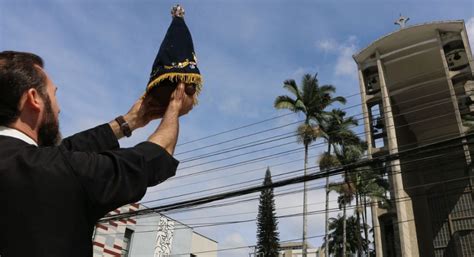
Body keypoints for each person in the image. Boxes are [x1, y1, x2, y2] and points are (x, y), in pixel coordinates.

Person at [0, 51, 194, 257]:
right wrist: (175, 107)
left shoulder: (24, 162)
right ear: (33, 99)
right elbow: (153, 157)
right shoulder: (51, 170)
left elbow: (65, 151)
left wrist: (131, 120)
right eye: (54, 94)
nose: (58, 108)